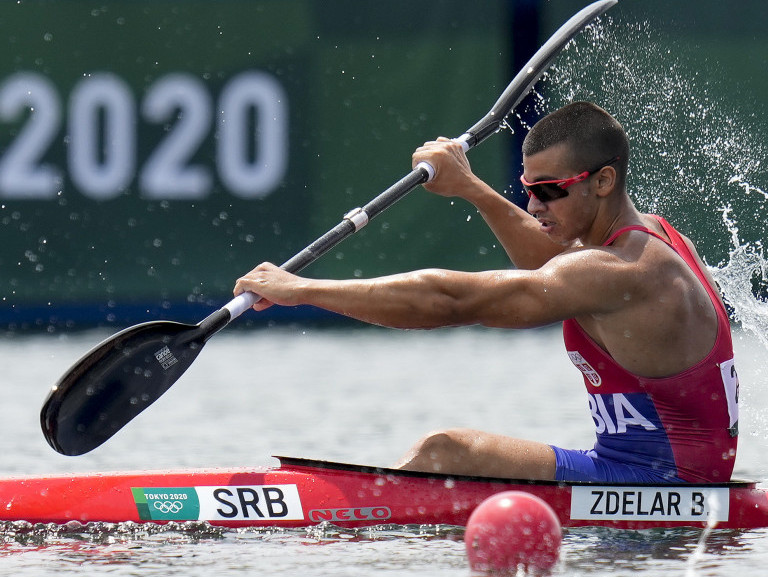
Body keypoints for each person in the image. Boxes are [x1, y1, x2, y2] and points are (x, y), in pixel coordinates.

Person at [234, 101, 739, 484]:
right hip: (660, 478)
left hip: (660, 487)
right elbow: (550, 262)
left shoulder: (625, 272)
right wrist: (472, 187)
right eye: (527, 187)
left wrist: (301, 290)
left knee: (449, 452)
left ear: (603, 181)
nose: (533, 204)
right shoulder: (656, 240)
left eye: (548, 190)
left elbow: (455, 301)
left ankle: (346, 527)